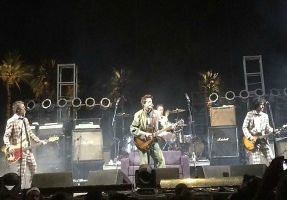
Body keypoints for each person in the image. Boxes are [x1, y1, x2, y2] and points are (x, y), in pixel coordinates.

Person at [3, 101, 47, 188]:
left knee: (34, 168)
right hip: (19, 151)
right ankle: (19, 191)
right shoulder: (11, 121)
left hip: (28, 150)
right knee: (21, 173)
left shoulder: (25, 120)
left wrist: (39, 141)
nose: (25, 109)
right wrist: (9, 147)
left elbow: (30, 133)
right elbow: (6, 136)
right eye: (23, 107)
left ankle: (32, 189)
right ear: (18, 110)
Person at [130, 94, 166, 168]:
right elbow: (133, 129)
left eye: (151, 102)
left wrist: (169, 128)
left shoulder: (156, 114)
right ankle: (145, 179)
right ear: (144, 103)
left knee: (160, 161)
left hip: (153, 141)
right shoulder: (138, 114)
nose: (151, 104)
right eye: (149, 102)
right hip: (142, 142)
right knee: (145, 165)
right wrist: (144, 134)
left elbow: (161, 126)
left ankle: (160, 178)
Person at [242, 97, 276, 165]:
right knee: (256, 163)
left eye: (263, 104)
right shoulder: (250, 114)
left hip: (263, 140)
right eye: (261, 104)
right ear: (256, 105)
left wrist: (273, 130)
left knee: (272, 160)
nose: (263, 106)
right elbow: (244, 127)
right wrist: (250, 137)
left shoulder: (265, 116)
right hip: (253, 141)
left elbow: (267, 128)